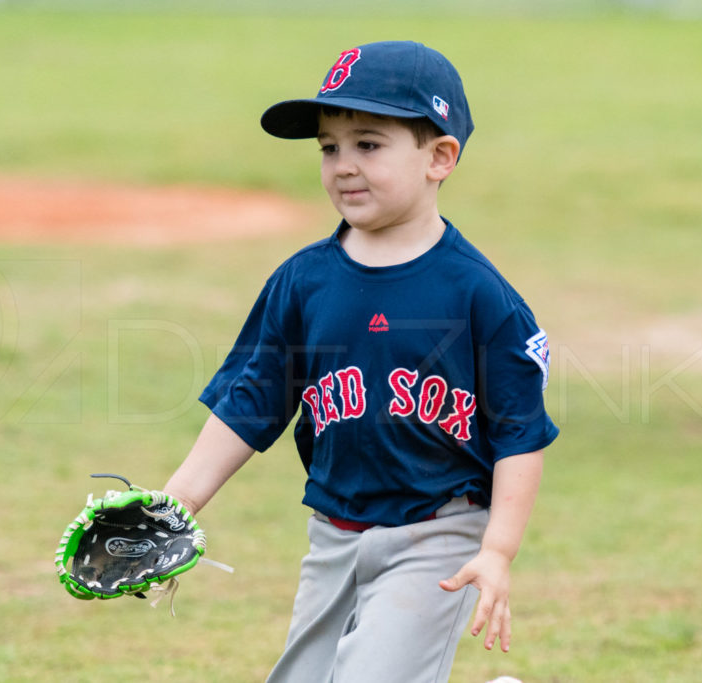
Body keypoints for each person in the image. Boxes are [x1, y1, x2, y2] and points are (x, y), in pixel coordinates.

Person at [163, 40, 559, 683]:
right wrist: (176, 502)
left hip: (438, 534)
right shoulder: (304, 282)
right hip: (332, 536)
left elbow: (520, 433)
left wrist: (497, 550)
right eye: (329, 147)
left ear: (440, 157)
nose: (344, 165)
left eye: (368, 144)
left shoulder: (476, 294)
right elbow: (250, 403)